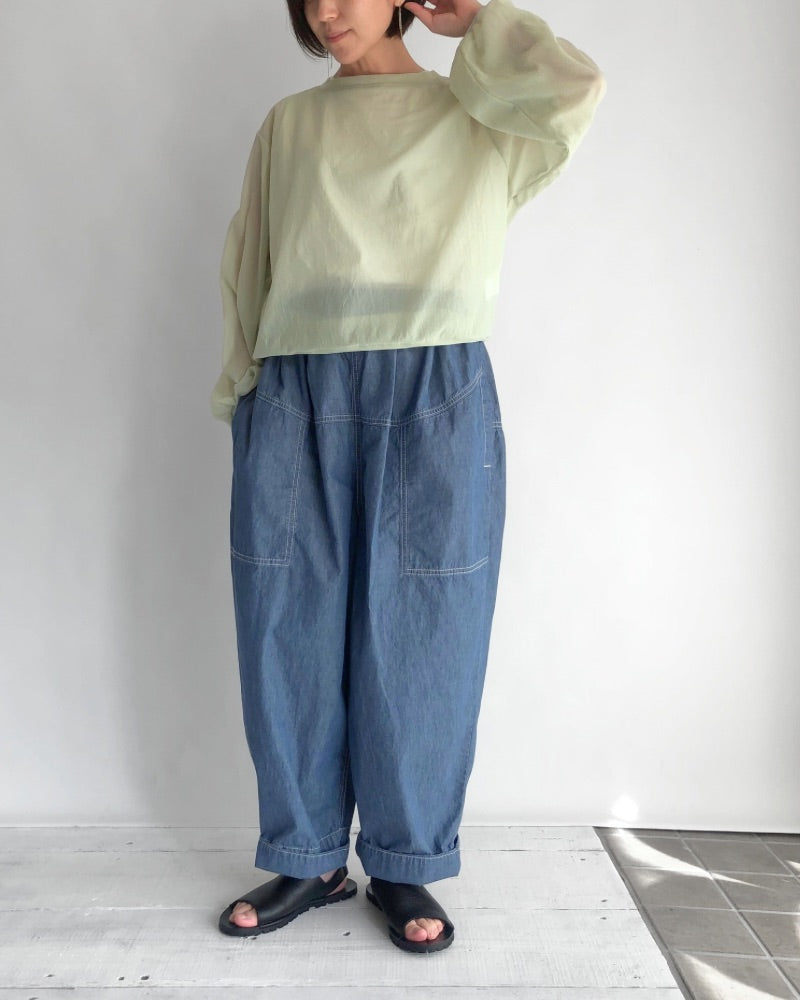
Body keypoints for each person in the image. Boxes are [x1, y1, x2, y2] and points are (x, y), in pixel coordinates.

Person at [211, 0, 605, 954]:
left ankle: (403, 861)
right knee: (287, 622)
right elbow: (249, 263)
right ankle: (308, 856)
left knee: (426, 629)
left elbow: (575, 92)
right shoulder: (290, 125)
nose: (327, 10)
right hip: (297, 386)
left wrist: (481, 23)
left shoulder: (478, 109)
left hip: (435, 386)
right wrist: (244, 392)